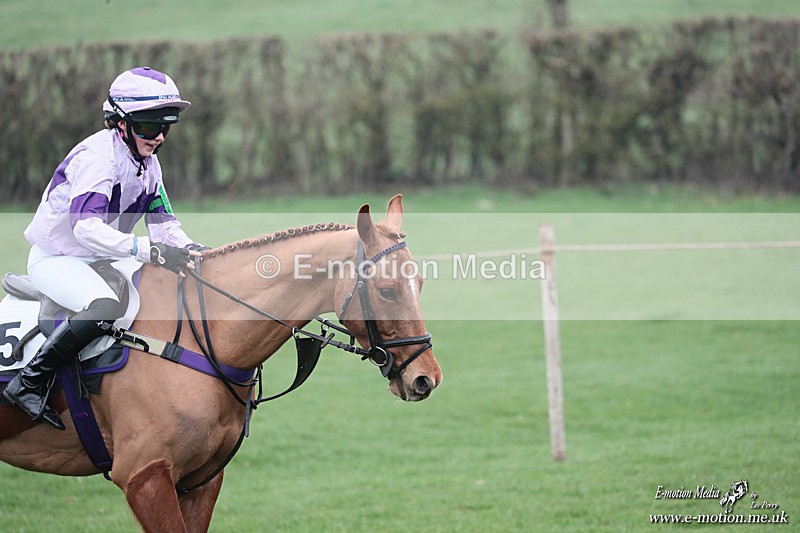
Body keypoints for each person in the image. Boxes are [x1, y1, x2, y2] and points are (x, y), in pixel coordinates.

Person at [3, 67, 202, 431]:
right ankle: (28, 383)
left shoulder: (148, 165)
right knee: (106, 306)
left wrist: (194, 251)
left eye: (165, 126)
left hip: (99, 258)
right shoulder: (98, 158)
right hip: (58, 259)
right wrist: (147, 250)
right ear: (121, 123)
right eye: (147, 126)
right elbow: (86, 228)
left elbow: (165, 225)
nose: (158, 136)